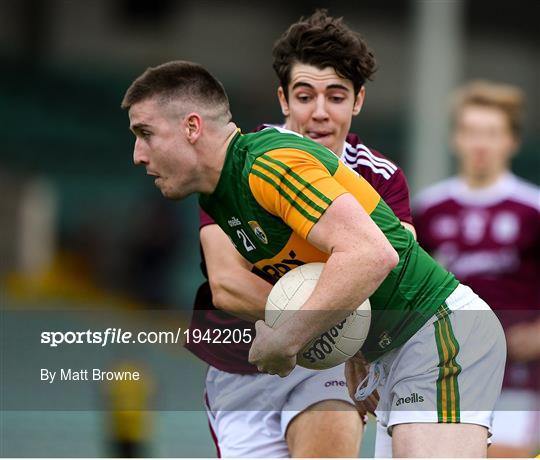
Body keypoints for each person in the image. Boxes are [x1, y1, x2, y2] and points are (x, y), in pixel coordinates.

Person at [122, 59, 506, 457]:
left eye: (145, 133)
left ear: (191, 127)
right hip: (394, 348)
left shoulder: (267, 165)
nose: (137, 154)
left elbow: (373, 254)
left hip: (437, 331)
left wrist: (287, 337)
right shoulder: (221, 194)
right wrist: (358, 349)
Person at [185, 10, 414, 458]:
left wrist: (344, 345)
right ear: (284, 99)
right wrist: (325, 321)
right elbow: (228, 284)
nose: (320, 113)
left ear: (358, 101)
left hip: (329, 363)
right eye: (305, 96)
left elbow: (393, 287)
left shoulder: (380, 179)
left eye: (336, 96)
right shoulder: (235, 166)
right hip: (243, 360)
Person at [414, 80, 540, 457]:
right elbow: (407, 287)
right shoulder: (430, 207)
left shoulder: (532, 208)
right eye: (471, 132)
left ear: (512, 141)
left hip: (518, 373)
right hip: (452, 370)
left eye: (492, 133)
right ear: (456, 138)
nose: (480, 144)